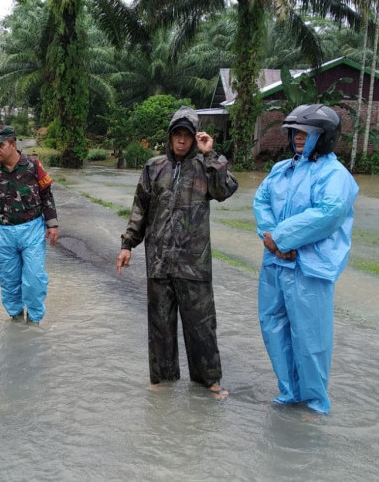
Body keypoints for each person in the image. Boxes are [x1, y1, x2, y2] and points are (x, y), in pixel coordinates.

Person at [116, 106, 238, 398]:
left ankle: (208, 382)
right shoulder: (153, 167)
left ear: (195, 138)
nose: (181, 141)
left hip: (194, 263)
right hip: (159, 263)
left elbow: (226, 191)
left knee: (201, 326)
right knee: (160, 326)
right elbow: (140, 210)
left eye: (187, 136)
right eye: (177, 135)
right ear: (170, 137)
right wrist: (127, 245)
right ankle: (163, 381)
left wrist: (210, 155)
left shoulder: (205, 167)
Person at [253, 104, 359, 414]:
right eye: (295, 132)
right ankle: (288, 392)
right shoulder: (282, 169)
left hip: (309, 268)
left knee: (310, 337)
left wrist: (282, 238)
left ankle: (314, 403)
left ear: (324, 137)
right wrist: (272, 240)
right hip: (275, 264)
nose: (299, 138)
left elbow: (328, 214)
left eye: (307, 133)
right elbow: (261, 200)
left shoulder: (335, 175)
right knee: (273, 327)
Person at [0, 125, 59, 325]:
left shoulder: (33, 166)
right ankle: (16, 320)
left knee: (35, 279)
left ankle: (34, 323)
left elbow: (46, 194)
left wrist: (52, 224)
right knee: (9, 281)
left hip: (32, 230)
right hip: (3, 233)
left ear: (13, 144)